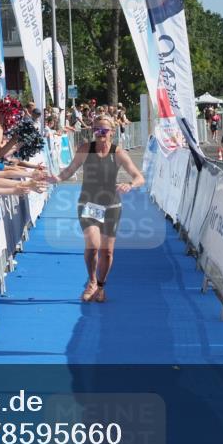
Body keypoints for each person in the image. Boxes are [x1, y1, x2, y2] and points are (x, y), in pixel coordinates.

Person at [47, 114, 145, 303]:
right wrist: (57, 178)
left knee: (107, 252)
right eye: (96, 130)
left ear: (112, 132)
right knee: (92, 245)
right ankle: (91, 282)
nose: (100, 133)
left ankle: (101, 286)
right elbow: (70, 169)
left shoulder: (118, 153)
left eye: (104, 130)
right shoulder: (85, 149)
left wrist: (130, 184)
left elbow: (139, 177)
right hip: (89, 204)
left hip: (112, 206)